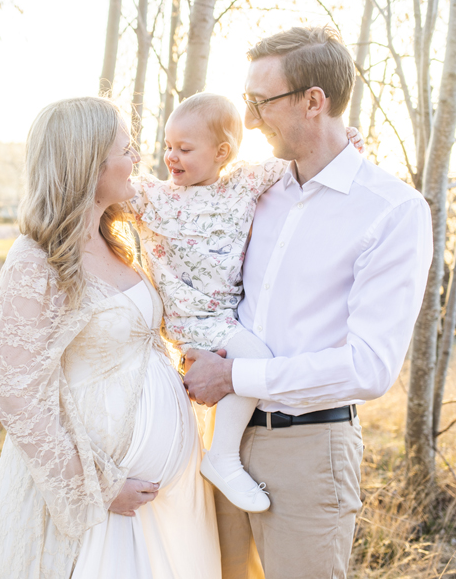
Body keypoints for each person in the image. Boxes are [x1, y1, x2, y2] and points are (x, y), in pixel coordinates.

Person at [182, 26, 433, 579]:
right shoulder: (254, 189)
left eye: (259, 103)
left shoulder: (392, 210)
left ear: (313, 101)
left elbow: (369, 367)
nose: (248, 121)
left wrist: (235, 378)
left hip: (309, 449)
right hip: (221, 439)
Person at [0, 96, 221, 579]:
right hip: (101, 506)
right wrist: (96, 485)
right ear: (89, 164)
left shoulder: (121, 237)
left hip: (169, 503)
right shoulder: (37, 261)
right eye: (127, 148)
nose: (139, 159)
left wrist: (333, 149)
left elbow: (223, 193)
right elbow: (17, 397)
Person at [128, 92, 363, 514]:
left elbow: (307, 163)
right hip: (189, 318)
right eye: (167, 146)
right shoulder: (154, 197)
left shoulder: (244, 183)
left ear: (222, 152)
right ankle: (222, 458)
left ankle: (217, 452)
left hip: (226, 315)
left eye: (184, 149)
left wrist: (348, 142)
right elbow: (103, 189)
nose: (170, 157)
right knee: (255, 357)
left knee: (249, 360)